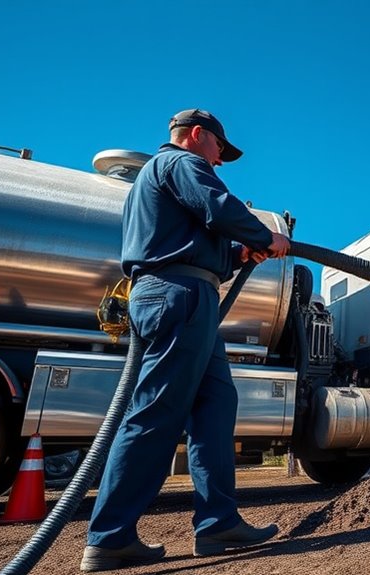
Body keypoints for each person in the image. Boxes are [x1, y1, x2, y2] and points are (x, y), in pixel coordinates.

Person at [80, 109, 292, 572]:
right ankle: (109, 537)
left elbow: (194, 238)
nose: (219, 162)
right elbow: (218, 208)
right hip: (180, 296)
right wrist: (266, 235)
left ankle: (217, 523)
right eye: (219, 149)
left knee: (215, 404)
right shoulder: (180, 163)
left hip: (189, 294)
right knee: (157, 412)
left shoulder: (162, 179)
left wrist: (239, 252)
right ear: (197, 135)